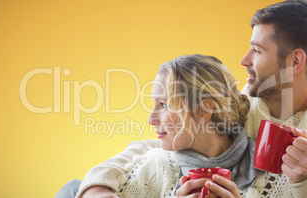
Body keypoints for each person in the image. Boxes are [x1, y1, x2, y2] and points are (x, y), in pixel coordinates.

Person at [57, 0, 307, 197]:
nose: (243, 60)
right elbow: (168, 145)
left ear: (295, 62)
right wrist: (97, 183)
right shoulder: (240, 107)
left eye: (258, 50)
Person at [56, 54, 265, 198]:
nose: (151, 119)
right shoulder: (154, 167)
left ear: (204, 110)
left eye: (164, 105)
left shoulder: (269, 173)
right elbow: (71, 190)